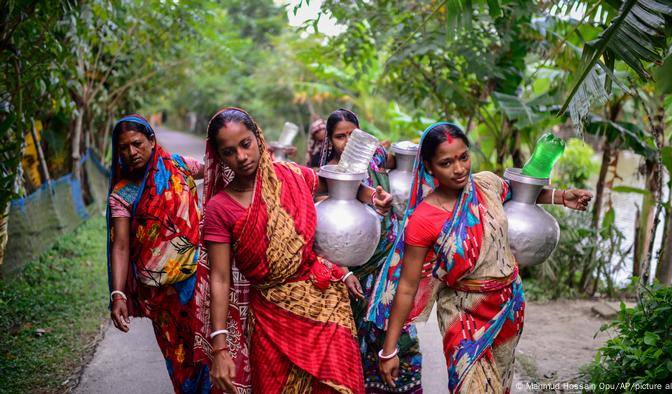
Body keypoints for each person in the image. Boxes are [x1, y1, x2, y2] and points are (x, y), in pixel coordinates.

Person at [370, 123, 593, 393]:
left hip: (508, 305)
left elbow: (520, 195)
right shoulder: (423, 219)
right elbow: (406, 286)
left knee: (499, 384)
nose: (459, 168)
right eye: (446, 162)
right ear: (429, 167)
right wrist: (389, 350)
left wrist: (561, 196)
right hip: (463, 314)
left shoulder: (487, 185)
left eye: (463, 157)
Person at [193, 107, 393, 393]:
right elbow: (220, 279)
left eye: (245, 144)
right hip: (271, 318)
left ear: (258, 139)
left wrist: (373, 196)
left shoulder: (291, 176)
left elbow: (337, 185)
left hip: (325, 304)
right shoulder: (220, 209)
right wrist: (220, 347)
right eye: (229, 151)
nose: (241, 156)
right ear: (219, 156)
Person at [320, 109, 421, 393]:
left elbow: (398, 162)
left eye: (353, 135)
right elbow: (323, 236)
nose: (347, 142)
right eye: (340, 137)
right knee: (355, 339)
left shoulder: (375, 160)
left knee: (400, 333)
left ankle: (405, 385)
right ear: (330, 140)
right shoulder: (328, 174)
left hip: (389, 265)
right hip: (352, 272)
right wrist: (342, 272)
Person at [107, 114, 208, 393]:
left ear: (152, 140)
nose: (131, 153)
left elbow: (217, 171)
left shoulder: (179, 166)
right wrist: (118, 293)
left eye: (137, 143)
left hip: (201, 282)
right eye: (124, 148)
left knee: (212, 349)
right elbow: (121, 245)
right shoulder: (122, 193)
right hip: (161, 295)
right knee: (179, 359)